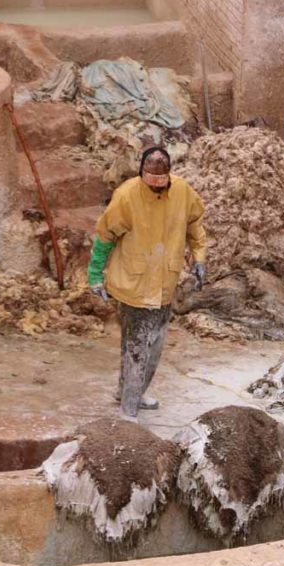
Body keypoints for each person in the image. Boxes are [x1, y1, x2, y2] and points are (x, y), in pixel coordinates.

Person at [87, 147, 207, 422]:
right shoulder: (127, 196)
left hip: (165, 283)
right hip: (134, 284)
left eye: (160, 182)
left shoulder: (183, 193)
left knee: (154, 348)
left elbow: (196, 228)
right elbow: (104, 237)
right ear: (142, 174)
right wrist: (95, 275)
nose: (155, 188)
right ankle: (129, 409)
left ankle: (129, 392)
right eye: (149, 182)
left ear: (168, 176)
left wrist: (199, 259)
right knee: (137, 349)